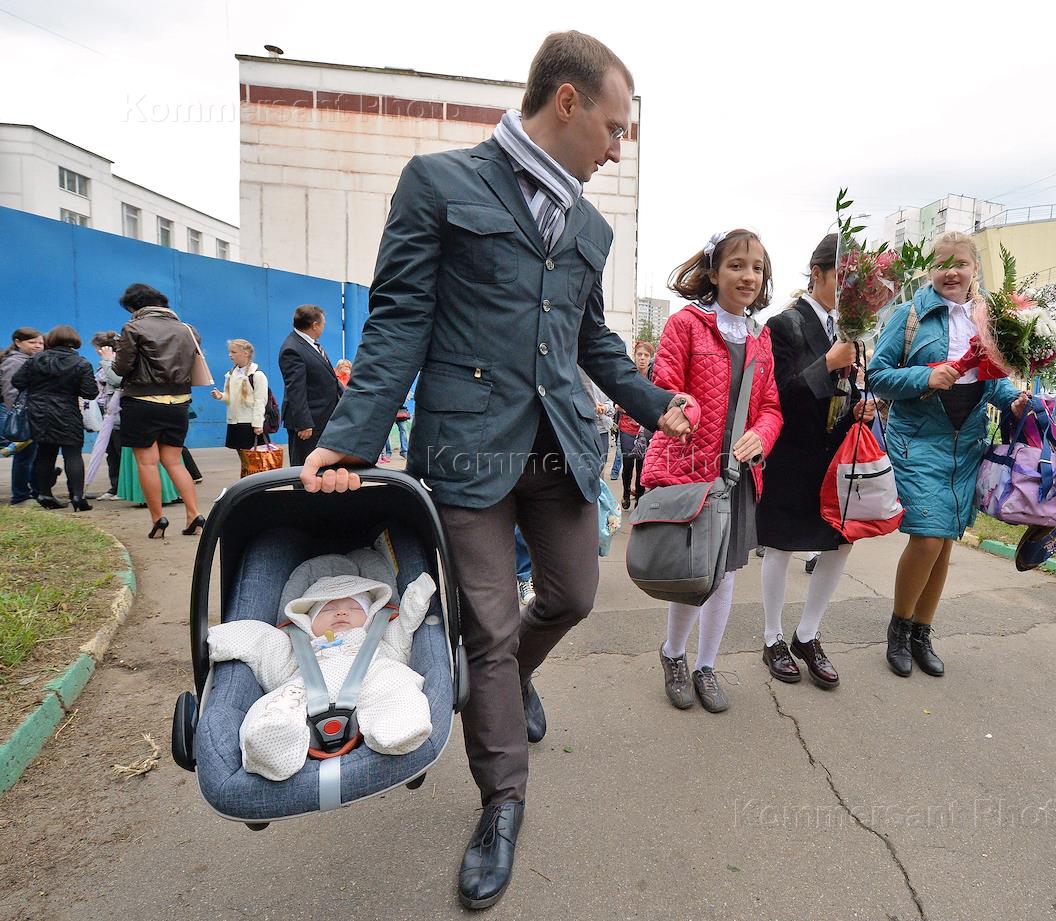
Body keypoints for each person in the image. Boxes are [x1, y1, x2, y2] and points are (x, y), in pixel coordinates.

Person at [295, 31, 693, 910]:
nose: (616, 148)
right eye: (613, 127)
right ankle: (502, 802)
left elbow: (591, 339)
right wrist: (349, 439)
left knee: (573, 595)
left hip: (559, 446)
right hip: (466, 451)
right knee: (487, 627)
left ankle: (511, 681)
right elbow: (400, 319)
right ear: (566, 101)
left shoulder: (590, 224)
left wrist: (653, 397)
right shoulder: (438, 184)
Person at [867, 231, 1029, 677]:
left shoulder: (987, 318)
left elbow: (993, 380)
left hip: (966, 445)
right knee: (927, 537)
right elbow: (877, 375)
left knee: (943, 545)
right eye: (942, 264)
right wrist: (925, 377)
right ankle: (899, 629)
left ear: (975, 268)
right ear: (930, 270)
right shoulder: (910, 314)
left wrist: (1013, 401)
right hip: (918, 440)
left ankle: (922, 632)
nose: (951, 272)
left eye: (960, 263)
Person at [645, 229, 783, 713]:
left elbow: (771, 407)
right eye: (737, 265)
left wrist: (761, 435)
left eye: (757, 268)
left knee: (724, 576)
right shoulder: (685, 324)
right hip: (692, 471)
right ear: (713, 271)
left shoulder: (761, 338)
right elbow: (665, 386)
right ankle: (673, 654)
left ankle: (706, 665)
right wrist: (686, 409)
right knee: (694, 572)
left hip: (738, 478)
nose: (748, 276)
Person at [756, 234, 876, 688]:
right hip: (791, 453)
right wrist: (826, 363)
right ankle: (772, 637)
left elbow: (847, 390)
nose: (851, 291)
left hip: (836, 454)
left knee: (840, 542)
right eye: (844, 279)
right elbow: (777, 394)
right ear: (817, 272)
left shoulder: (852, 331)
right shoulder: (783, 325)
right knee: (781, 545)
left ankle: (807, 634)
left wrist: (860, 405)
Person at [207, 570, 437, 781]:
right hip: (305, 690)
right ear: (307, 620)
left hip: (372, 679)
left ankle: (397, 727)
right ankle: (271, 742)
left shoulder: (380, 637)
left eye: (355, 607)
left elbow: (405, 625)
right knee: (278, 703)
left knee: (395, 682)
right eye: (327, 609)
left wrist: (417, 595)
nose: (341, 612)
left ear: (371, 616)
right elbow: (262, 641)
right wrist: (216, 639)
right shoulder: (299, 647)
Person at [112, 283, 205, 538]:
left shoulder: (133, 327)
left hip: (142, 401)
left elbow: (121, 367)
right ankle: (194, 513)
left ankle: (157, 519)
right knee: (174, 461)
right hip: (179, 402)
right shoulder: (188, 329)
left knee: (147, 462)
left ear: (135, 307)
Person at [12, 324, 99, 510]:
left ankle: (44, 493)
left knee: (45, 453)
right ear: (74, 341)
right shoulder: (81, 363)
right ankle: (78, 496)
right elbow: (90, 393)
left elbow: (17, 381)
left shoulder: (35, 360)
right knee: (73, 454)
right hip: (68, 412)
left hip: (39, 413)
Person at [279, 305, 344, 469]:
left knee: (321, 469)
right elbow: (296, 389)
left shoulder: (311, 345)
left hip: (322, 419)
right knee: (305, 467)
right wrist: (303, 423)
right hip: (309, 425)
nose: (324, 327)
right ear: (315, 325)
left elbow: (330, 379)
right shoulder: (292, 349)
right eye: (323, 324)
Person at [0, 327, 44, 504]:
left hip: (33, 413)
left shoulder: (31, 360)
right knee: (24, 455)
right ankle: (20, 496)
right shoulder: (14, 362)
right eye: (32, 342)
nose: (38, 346)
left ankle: (34, 491)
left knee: (31, 454)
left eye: (40, 342)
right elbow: (10, 391)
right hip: (22, 415)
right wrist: (17, 415)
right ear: (18, 342)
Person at [613, 340, 654, 509]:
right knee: (628, 463)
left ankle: (639, 497)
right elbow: (617, 401)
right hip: (627, 428)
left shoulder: (653, 378)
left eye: (646, 355)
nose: (642, 358)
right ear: (634, 356)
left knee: (642, 465)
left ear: (650, 358)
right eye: (639, 354)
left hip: (645, 428)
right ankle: (625, 493)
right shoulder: (627, 375)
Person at [211, 339, 269, 453]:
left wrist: (258, 424)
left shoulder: (257, 375)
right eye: (229, 352)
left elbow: (260, 401)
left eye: (234, 352)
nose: (230, 355)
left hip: (250, 423)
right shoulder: (231, 374)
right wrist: (221, 396)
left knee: (254, 457)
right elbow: (229, 397)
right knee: (243, 456)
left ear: (245, 353)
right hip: (234, 421)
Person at [91, 331, 125, 500]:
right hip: (106, 416)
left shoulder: (116, 363)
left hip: (118, 416)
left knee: (120, 453)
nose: (97, 350)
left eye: (97, 347)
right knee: (111, 453)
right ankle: (115, 487)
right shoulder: (104, 364)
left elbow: (116, 380)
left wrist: (107, 361)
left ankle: (123, 488)